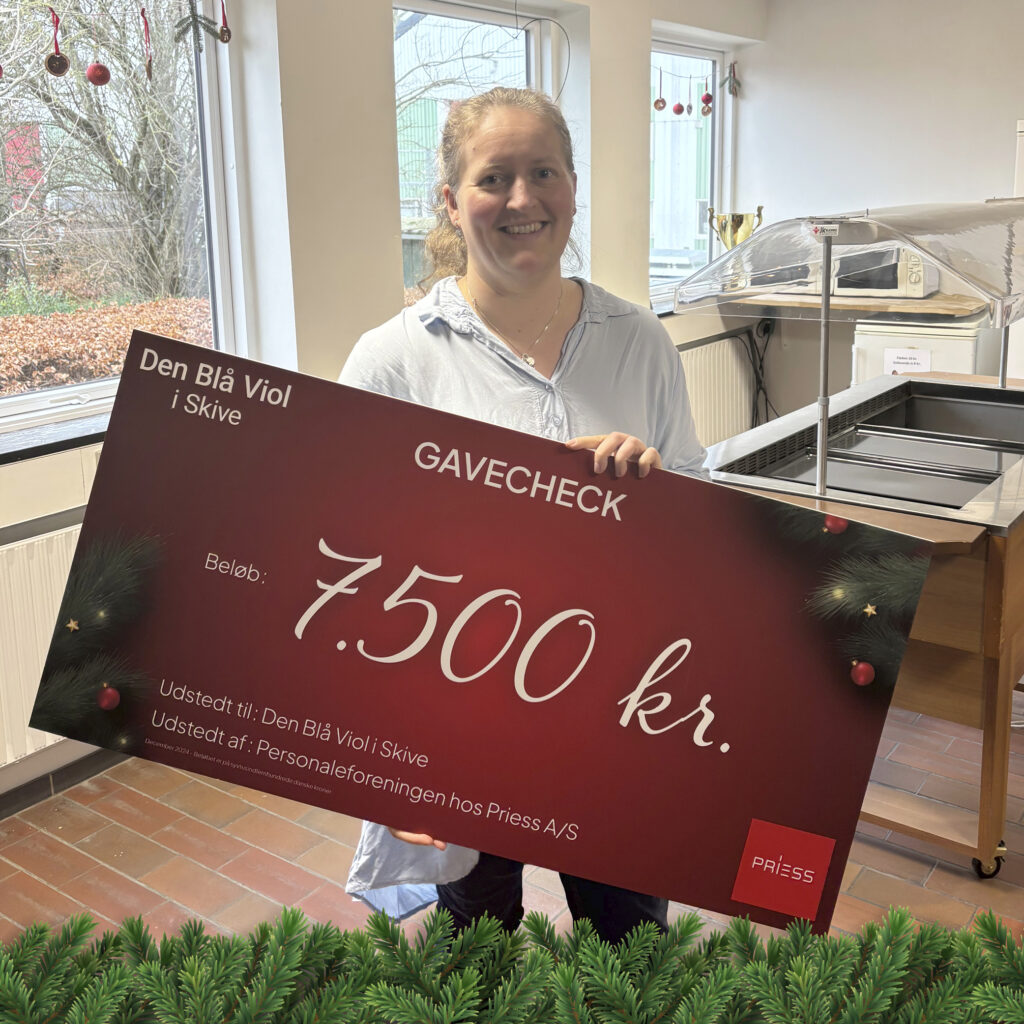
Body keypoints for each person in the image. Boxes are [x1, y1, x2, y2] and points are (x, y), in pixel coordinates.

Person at [340, 86, 707, 945]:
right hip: (461, 713)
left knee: (630, 937)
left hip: (614, 704)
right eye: (493, 178)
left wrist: (657, 492)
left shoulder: (639, 340)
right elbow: (346, 554)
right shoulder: (394, 361)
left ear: (572, 186)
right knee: (478, 938)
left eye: (543, 173)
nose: (521, 199)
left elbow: (700, 517)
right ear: (450, 200)